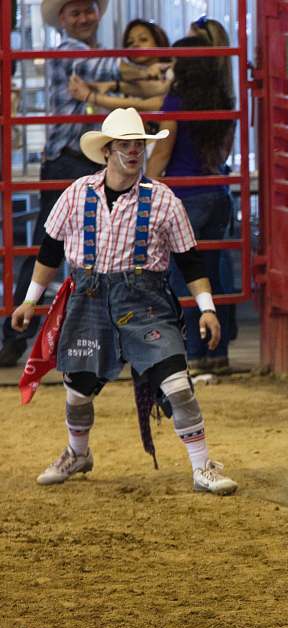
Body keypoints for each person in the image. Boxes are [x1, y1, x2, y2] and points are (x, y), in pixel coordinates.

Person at [11, 108, 238, 495]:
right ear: (107, 152)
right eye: (125, 145)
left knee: (177, 383)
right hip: (89, 297)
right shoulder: (77, 193)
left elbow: (190, 260)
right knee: (78, 387)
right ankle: (77, 452)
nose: (133, 152)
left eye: (138, 145)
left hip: (145, 301)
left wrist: (208, 309)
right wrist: (30, 300)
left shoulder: (164, 201)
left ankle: (203, 466)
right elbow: (49, 251)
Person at [0, 0, 117, 367]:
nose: (83, 18)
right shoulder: (70, 51)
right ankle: (16, 335)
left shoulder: (79, 52)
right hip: (71, 161)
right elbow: (113, 68)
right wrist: (155, 65)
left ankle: (19, 337)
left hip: (82, 159)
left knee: (62, 248)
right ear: (63, 20)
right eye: (75, 12)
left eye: (88, 10)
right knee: (51, 248)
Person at [148, 36, 239, 374]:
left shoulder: (176, 101)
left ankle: (193, 354)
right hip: (217, 194)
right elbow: (223, 155)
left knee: (182, 275)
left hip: (184, 196)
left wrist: (146, 187)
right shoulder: (225, 101)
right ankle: (219, 352)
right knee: (215, 274)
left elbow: (162, 151)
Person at [69, 19, 172, 112]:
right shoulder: (126, 80)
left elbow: (155, 102)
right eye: (130, 42)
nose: (135, 45)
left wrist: (90, 96)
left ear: (159, 43)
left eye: (143, 39)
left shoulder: (170, 71)